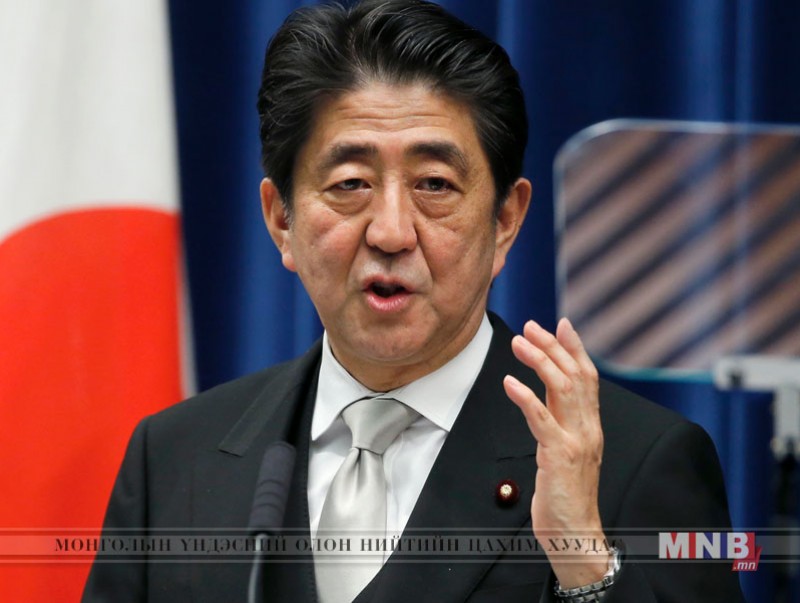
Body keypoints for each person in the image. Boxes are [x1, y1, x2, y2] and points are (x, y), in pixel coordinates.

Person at [83, 1, 745, 601]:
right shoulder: (176, 456)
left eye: (434, 184)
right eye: (350, 183)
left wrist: (586, 570)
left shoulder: (638, 462)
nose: (392, 232)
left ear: (505, 221)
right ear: (282, 220)